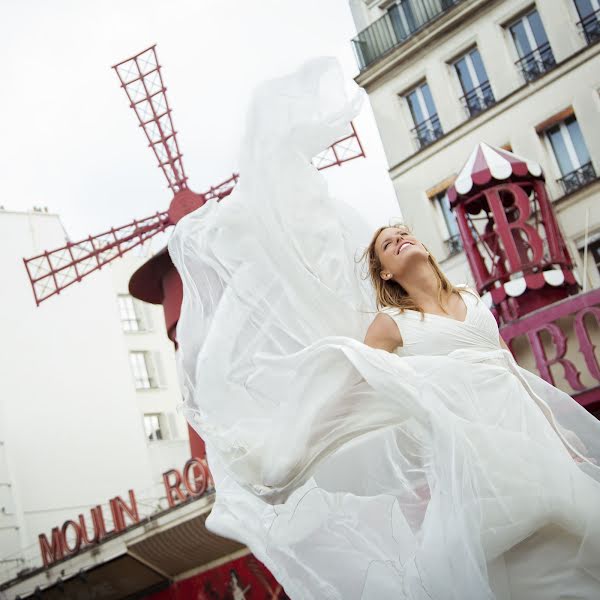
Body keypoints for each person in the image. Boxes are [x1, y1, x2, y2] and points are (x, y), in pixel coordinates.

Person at [168, 57, 600, 599]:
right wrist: (281, 457)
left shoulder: (471, 301)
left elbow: (513, 379)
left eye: (402, 232)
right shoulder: (391, 324)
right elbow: (343, 385)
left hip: (531, 453)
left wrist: (568, 447)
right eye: (385, 244)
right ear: (386, 273)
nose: (398, 238)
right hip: (480, 474)